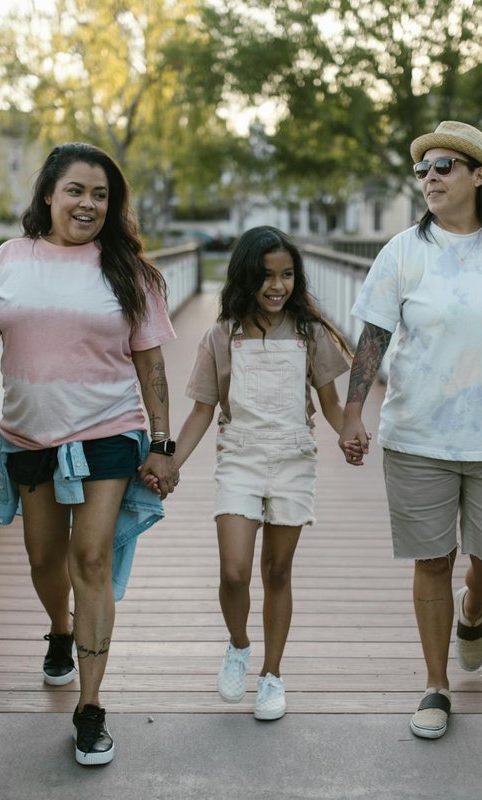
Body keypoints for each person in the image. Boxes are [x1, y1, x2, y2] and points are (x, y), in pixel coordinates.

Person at [0, 142, 179, 766]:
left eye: (101, 195)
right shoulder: (10, 259)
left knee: (91, 558)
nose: (88, 203)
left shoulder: (127, 270)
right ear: (49, 194)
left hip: (109, 432)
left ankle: (91, 706)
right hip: (29, 437)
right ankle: (59, 628)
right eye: (77, 190)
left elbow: (151, 362)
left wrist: (161, 443)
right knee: (43, 557)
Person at [339, 121, 482, 740]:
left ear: (478, 175)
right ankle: (436, 685)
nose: (430, 178)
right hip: (417, 435)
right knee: (432, 558)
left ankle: (474, 608)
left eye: (443, 166)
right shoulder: (403, 251)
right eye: (423, 170)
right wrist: (353, 411)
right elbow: (373, 337)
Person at [148, 226, 350, 720]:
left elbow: (331, 404)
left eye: (286, 275)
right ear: (245, 278)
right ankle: (238, 645)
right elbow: (201, 411)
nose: (277, 286)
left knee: (277, 572)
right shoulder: (222, 337)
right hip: (238, 456)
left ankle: (272, 674)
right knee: (234, 571)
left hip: (292, 459)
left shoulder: (310, 334)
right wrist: (170, 461)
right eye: (265, 276)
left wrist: (351, 433)